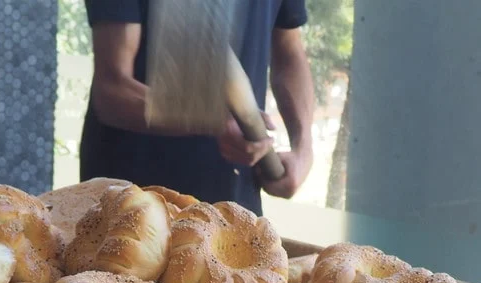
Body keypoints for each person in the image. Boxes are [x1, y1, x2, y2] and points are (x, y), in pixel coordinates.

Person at [80, 0, 315, 215]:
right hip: (130, 203)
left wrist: (303, 148)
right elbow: (112, 90)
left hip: (234, 203)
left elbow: (289, 49)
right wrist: (215, 119)